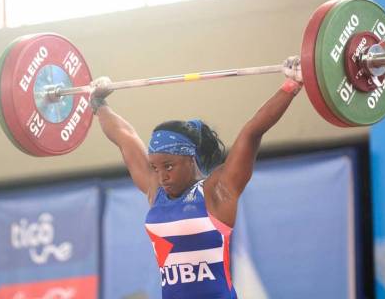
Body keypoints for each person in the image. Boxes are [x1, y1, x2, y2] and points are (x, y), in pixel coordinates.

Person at [90, 57, 303, 299]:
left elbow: (252, 132)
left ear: (190, 159)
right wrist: (98, 103)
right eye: (155, 168)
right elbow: (124, 136)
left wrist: (291, 86)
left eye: (168, 166)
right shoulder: (156, 191)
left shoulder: (217, 191)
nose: (162, 176)